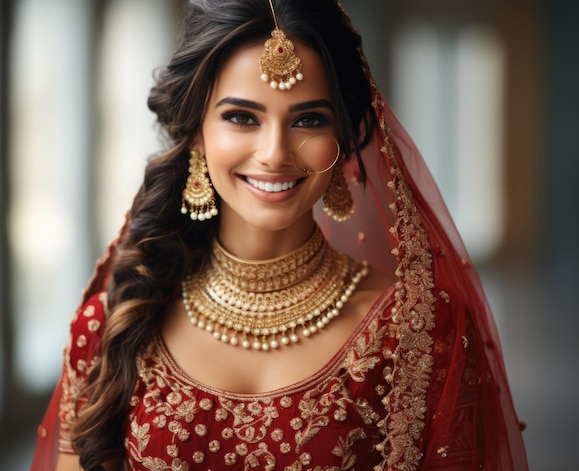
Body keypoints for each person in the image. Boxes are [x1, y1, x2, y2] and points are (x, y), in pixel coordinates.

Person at [31, 0, 529, 469]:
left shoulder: (420, 332)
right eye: (241, 117)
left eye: (308, 119)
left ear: (343, 138)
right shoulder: (116, 324)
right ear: (197, 130)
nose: (274, 153)